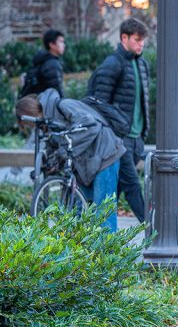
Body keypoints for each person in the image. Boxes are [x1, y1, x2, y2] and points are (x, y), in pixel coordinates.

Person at [17, 91, 125, 230]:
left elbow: (91, 126)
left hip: (105, 156)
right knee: (80, 212)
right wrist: (49, 164)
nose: (32, 127)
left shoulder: (64, 105)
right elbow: (55, 148)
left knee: (103, 212)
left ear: (30, 113)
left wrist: (62, 152)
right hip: (84, 166)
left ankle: (108, 251)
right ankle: (83, 250)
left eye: (28, 123)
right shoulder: (48, 124)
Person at [87, 18, 151, 224]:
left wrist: (141, 133)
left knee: (118, 187)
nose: (141, 44)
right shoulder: (112, 63)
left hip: (136, 137)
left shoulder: (142, 64)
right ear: (124, 37)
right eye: (137, 39)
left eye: (143, 40)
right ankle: (153, 230)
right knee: (132, 184)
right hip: (118, 139)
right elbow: (97, 101)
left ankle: (88, 223)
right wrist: (119, 124)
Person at [22, 29, 66, 97]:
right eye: (60, 42)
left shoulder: (42, 60)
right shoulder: (52, 64)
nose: (63, 45)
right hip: (44, 104)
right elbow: (56, 91)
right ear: (51, 44)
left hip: (34, 103)